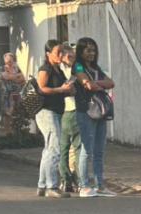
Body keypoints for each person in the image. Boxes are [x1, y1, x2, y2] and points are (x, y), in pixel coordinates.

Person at [73, 37, 117, 197]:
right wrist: (96, 84)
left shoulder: (96, 67)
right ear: (81, 51)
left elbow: (111, 83)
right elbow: (88, 84)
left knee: (99, 151)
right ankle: (83, 185)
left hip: (101, 111)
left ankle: (100, 185)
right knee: (87, 150)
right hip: (86, 111)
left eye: (94, 50)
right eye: (88, 50)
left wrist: (95, 83)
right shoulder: (78, 66)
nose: (91, 53)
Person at [35, 39, 74, 198]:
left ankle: (42, 185)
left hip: (57, 111)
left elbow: (60, 88)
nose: (60, 55)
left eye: (61, 52)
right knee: (55, 147)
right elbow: (42, 88)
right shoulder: (45, 68)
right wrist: (61, 89)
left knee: (49, 149)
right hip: (46, 111)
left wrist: (67, 91)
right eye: (57, 52)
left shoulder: (57, 69)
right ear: (48, 54)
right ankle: (51, 185)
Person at [58, 43, 81, 193]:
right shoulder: (64, 70)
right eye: (69, 56)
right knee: (71, 148)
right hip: (67, 109)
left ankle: (68, 180)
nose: (72, 59)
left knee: (66, 148)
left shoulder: (63, 69)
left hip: (71, 110)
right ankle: (75, 179)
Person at [0, 53, 25, 124]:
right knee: (7, 112)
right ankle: (7, 130)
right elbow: (6, 77)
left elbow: (22, 77)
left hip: (17, 93)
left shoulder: (17, 68)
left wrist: (11, 77)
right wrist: (16, 77)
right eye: (7, 59)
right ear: (4, 60)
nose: (9, 60)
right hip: (7, 94)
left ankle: (15, 129)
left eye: (10, 58)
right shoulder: (2, 68)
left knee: (17, 111)